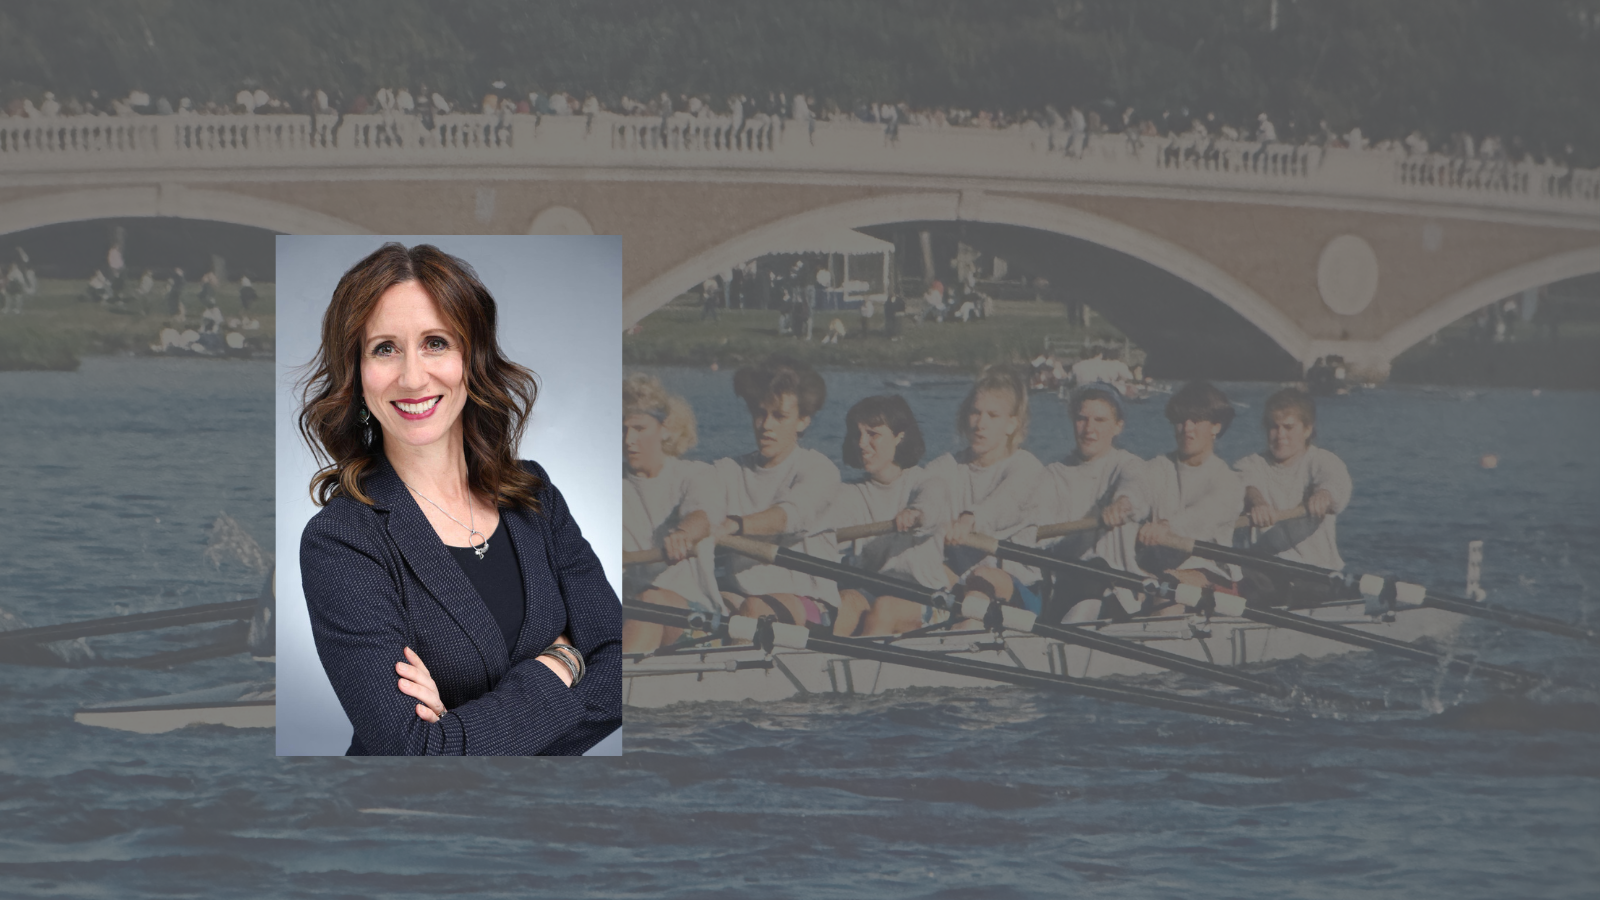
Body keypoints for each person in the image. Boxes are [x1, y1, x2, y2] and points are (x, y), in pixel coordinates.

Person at [297, 243, 620, 755]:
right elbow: (415, 755)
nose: (412, 376)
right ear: (356, 374)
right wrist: (563, 665)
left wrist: (462, 733)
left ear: (472, 358)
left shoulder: (536, 498)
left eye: (435, 343)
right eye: (384, 348)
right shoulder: (341, 541)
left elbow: (622, 670)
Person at [880, 366, 1043, 633]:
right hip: (957, 584)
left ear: (1012, 424)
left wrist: (971, 519)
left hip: (1015, 589)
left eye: (993, 415)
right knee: (884, 607)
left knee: (981, 579)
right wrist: (916, 512)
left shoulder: (1027, 468)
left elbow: (1006, 502)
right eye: (975, 412)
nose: (980, 424)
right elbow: (924, 488)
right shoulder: (947, 466)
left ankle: (959, 635)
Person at [706, 355, 856, 634]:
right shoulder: (728, 470)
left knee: (752, 611)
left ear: (803, 421)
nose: (766, 425)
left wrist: (734, 525)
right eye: (759, 413)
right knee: (694, 607)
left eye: (779, 416)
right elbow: (692, 490)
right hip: (742, 596)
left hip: (812, 604)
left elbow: (790, 516)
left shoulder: (819, 470)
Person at [823, 396, 950, 636]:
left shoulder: (926, 482)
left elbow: (930, 506)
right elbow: (823, 519)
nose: (862, 443)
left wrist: (916, 514)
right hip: (872, 589)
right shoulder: (850, 493)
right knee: (844, 603)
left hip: (928, 596)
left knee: (885, 609)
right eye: (857, 434)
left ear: (899, 436)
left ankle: (864, 669)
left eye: (872, 434)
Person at [1019, 383, 1146, 621]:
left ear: (1118, 426)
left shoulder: (1126, 465)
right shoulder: (1053, 474)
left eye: (1100, 420)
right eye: (1082, 419)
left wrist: (1122, 504)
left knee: (1098, 567)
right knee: (1091, 570)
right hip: (1067, 589)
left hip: (1121, 591)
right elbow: (1034, 525)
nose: (1089, 429)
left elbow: (1135, 487)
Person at [1117, 381, 1245, 607]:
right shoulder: (1158, 467)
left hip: (1212, 570)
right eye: (1181, 421)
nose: (1187, 428)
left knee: (1170, 588)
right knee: (1115, 589)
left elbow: (1202, 517)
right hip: (1159, 566)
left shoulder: (1229, 481)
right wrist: (1123, 503)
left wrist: (1166, 527)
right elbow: (1136, 487)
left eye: (1196, 421)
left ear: (1216, 426)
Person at [620, 374, 721, 653]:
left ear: (664, 429)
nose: (629, 440)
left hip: (698, 617)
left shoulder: (694, 475)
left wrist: (682, 534)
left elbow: (701, 516)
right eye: (624, 429)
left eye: (639, 428)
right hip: (633, 607)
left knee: (650, 600)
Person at [1233, 388, 1352, 607]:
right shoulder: (1250, 464)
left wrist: (1324, 495)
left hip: (1315, 573)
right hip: (1265, 573)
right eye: (1273, 427)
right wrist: (1257, 503)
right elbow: (1245, 484)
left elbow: (1335, 482)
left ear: (1307, 429)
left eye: (1288, 427)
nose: (1280, 436)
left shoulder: (1323, 461)